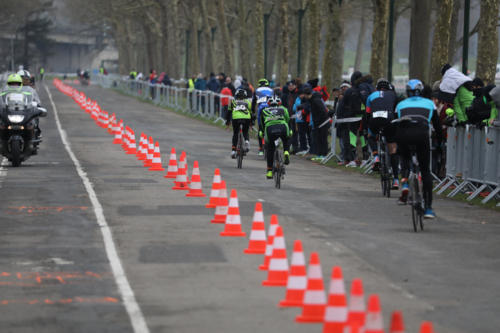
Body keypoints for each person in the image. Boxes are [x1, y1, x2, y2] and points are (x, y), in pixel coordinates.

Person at [394, 79, 443, 219]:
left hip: (404, 135)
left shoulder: (401, 104)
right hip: (421, 135)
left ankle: (404, 183)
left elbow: (395, 122)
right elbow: (438, 127)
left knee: (404, 159)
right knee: (425, 170)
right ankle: (428, 208)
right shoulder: (429, 104)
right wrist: (440, 143)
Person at [365, 78, 399, 188]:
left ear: (376, 88)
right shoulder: (393, 94)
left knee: (371, 136)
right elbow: (396, 111)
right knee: (392, 149)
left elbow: (367, 114)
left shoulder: (371, 96)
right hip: (389, 119)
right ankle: (395, 180)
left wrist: (366, 128)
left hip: (374, 119)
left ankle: (375, 156)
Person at [259, 95, 291, 179]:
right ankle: (286, 152)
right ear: (279, 103)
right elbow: (288, 119)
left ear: (268, 104)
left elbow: (262, 124)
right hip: (283, 126)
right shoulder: (283, 109)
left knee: (270, 149)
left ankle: (269, 171)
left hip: (270, 128)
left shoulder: (264, 110)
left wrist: (261, 132)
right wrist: (290, 130)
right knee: (286, 139)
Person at [298, 84, 330, 161]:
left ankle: (324, 154)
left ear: (306, 94)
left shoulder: (316, 100)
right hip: (317, 122)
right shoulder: (311, 100)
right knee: (318, 139)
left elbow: (323, 110)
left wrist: (319, 120)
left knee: (323, 139)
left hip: (323, 122)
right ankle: (319, 154)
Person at [226, 88, 252, 158]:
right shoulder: (248, 102)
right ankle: (247, 141)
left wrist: (227, 123)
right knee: (245, 131)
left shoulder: (233, 101)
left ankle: (233, 151)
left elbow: (228, 113)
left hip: (236, 118)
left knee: (235, 133)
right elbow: (251, 113)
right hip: (246, 118)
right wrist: (251, 124)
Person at [252, 78, 274, 156]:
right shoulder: (271, 90)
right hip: (271, 109)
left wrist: (253, 112)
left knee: (261, 129)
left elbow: (253, 102)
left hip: (261, 109)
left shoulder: (257, 90)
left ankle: (261, 149)